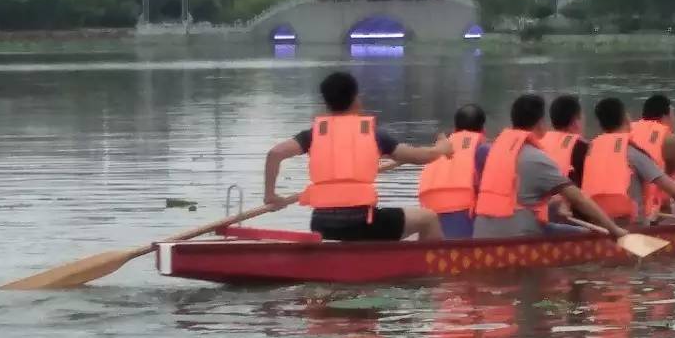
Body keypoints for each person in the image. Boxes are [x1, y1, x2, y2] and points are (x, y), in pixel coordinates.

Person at [263, 71, 450, 241]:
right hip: (362, 224)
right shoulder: (373, 135)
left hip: (321, 225)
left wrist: (270, 195)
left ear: (326, 103)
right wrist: (442, 147)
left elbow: (275, 153)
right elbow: (421, 156)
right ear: (355, 99)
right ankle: (429, 275)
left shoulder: (313, 135)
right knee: (429, 218)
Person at [473, 93, 628, 240]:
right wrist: (614, 229)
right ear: (540, 122)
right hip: (518, 235)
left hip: (481, 234)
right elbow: (579, 198)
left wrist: (558, 203)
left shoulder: (494, 149)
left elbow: (519, 196)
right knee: (587, 236)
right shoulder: (536, 158)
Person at [582, 97, 675, 226]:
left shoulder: (591, 149)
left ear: (600, 125)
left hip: (598, 222)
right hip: (633, 225)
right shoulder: (633, 152)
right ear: (626, 118)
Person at [418, 103, 488, 239]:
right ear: (483, 130)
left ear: (454, 129)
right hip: (463, 217)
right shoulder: (482, 150)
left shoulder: (436, 150)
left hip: (429, 215)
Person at [629, 93, 675, 217]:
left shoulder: (627, 130)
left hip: (620, 205)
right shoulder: (670, 141)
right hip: (648, 212)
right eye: (673, 115)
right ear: (665, 116)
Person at [540, 94, 589, 186]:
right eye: (582, 116)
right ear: (575, 121)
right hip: (569, 198)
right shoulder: (582, 148)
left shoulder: (538, 143)